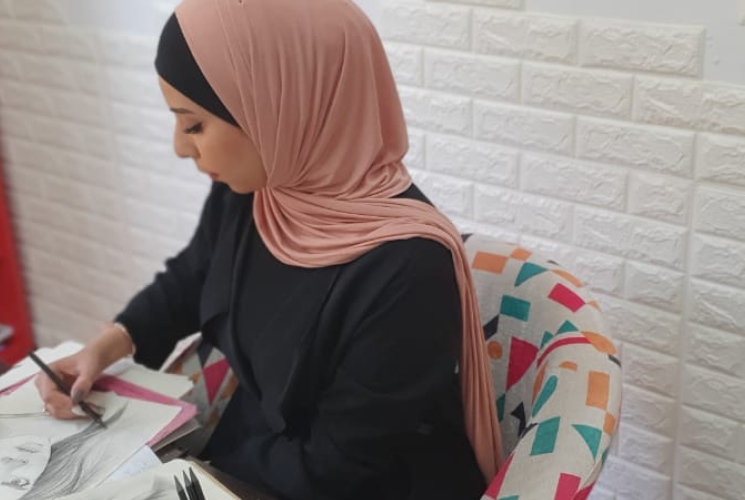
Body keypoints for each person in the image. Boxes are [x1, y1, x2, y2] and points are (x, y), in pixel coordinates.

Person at [35, 0, 504, 498]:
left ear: (280, 107)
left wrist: (184, 474)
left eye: (194, 125)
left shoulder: (408, 270)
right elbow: (194, 275)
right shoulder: (262, 191)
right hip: (253, 463)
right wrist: (106, 346)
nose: (180, 148)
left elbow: (341, 465)